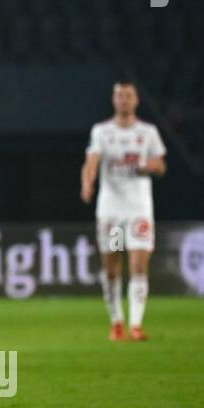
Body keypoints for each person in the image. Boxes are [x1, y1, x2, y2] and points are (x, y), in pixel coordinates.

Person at [80, 81, 167, 341]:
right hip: (112, 213)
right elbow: (91, 161)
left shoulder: (148, 132)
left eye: (128, 95)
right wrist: (88, 181)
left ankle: (136, 325)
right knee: (112, 267)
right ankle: (117, 321)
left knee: (139, 265)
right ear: (113, 100)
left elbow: (161, 165)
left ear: (136, 100)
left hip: (138, 210)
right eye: (119, 95)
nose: (124, 100)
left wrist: (149, 166)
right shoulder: (102, 131)